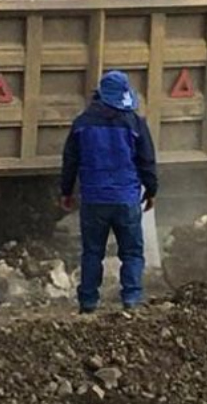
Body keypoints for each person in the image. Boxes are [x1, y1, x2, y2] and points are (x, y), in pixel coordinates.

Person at [60, 70, 158, 313]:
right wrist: (151, 190)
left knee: (92, 252)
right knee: (132, 252)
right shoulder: (135, 123)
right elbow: (147, 161)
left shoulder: (81, 124)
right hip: (126, 199)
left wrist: (66, 192)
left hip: (93, 200)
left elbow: (70, 161)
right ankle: (131, 299)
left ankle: (88, 302)